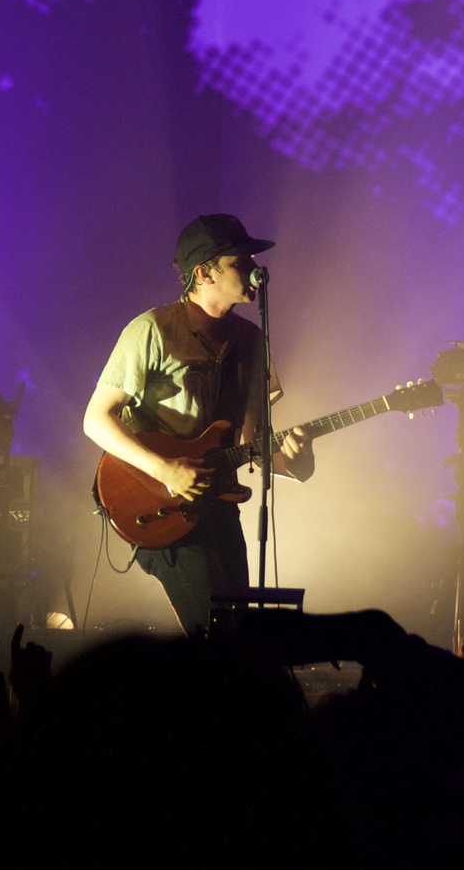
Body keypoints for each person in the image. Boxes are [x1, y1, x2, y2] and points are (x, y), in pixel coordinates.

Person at [82, 212, 313, 635]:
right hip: (155, 502)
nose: (254, 267)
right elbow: (96, 419)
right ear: (204, 272)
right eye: (240, 260)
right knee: (215, 636)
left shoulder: (250, 342)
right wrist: (165, 469)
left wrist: (297, 463)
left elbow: (254, 445)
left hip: (217, 507)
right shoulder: (151, 331)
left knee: (243, 636)